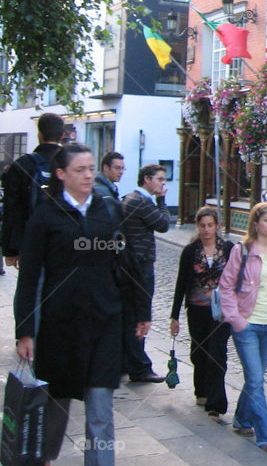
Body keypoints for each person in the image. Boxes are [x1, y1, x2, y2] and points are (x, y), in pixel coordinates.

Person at [15, 143, 149, 466]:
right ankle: (42, 459)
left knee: (101, 412)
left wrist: (142, 310)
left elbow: (128, 264)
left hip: (104, 322)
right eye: (80, 170)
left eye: (91, 168)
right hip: (60, 327)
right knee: (54, 412)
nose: (88, 175)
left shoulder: (109, 210)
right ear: (61, 174)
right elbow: (30, 276)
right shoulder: (45, 217)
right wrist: (26, 331)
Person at [219, 202, 267, 455]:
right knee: (255, 379)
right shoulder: (242, 251)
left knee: (255, 378)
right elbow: (226, 287)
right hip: (247, 325)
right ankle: (266, 436)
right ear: (256, 224)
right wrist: (237, 320)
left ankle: (242, 419)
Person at [170, 206, 235, 424]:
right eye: (202, 225)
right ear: (198, 226)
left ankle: (216, 405)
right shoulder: (190, 251)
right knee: (199, 351)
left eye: (210, 225)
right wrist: (174, 316)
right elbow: (181, 284)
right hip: (197, 308)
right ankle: (202, 390)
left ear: (217, 226)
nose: (206, 230)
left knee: (217, 353)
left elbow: (238, 278)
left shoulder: (228, 248)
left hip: (222, 312)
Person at [120, 163, 171, 383]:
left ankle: (128, 361)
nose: (162, 183)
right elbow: (163, 224)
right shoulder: (141, 202)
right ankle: (139, 367)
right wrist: (161, 201)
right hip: (139, 265)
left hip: (132, 263)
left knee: (132, 315)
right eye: (160, 179)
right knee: (139, 315)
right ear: (147, 179)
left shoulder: (130, 198)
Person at [2, 111, 65, 269]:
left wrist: (10, 250)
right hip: (66, 243)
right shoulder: (73, 164)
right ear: (62, 135)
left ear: (39, 134)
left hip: (31, 244)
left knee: (32, 288)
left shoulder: (23, 165)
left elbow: (12, 209)